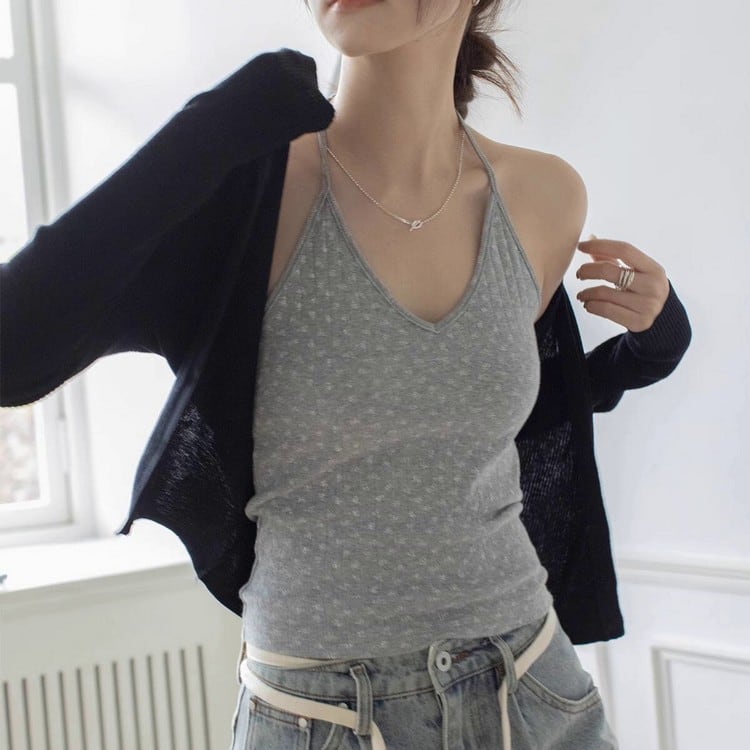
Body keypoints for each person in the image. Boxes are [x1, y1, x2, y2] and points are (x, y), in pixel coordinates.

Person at [0, 1, 692, 748]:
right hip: (321, 717)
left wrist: (649, 349)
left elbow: (476, 413)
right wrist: (207, 127)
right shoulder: (247, 191)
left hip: (530, 689)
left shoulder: (542, 196)